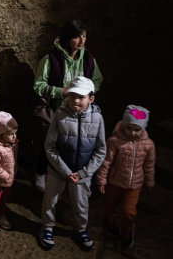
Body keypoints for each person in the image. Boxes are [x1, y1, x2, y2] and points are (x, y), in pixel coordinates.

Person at [33, 20, 104, 192]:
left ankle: (74, 178)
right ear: (66, 38)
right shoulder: (51, 59)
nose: (81, 41)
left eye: (84, 36)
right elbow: (38, 86)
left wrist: (83, 94)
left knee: (76, 146)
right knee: (51, 144)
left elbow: (97, 80)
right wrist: (62, 92)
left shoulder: (87, 59)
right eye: (76, 37)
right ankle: (42, 173)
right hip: (57, 111)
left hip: (80, 112)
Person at [39, 76, 106, 252]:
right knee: (50, 199)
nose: (75, 100)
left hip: (82, 172)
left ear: (91, 98)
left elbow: (100, 150)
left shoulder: (98, 119)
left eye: (81, 97)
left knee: (81, 203)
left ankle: (81, 229)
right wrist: (63, 169)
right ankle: (47, 227)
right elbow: (50, 146)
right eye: (72, 95)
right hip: (58, 170)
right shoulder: (60, 115)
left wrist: (84, 173)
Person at [95, 105, 155, 249]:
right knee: (109, 207)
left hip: (134, 186)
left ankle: (127, 230)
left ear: (143, 128)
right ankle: (108, 221)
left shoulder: (148, 145)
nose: (132, 133)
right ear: (124, 125)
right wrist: (102, 180)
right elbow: (106, 162)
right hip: (115, 182)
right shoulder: (114, 141)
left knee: (129, 212)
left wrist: (149, 181)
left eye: (137, 129)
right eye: (129, 128)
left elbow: (149, 164)